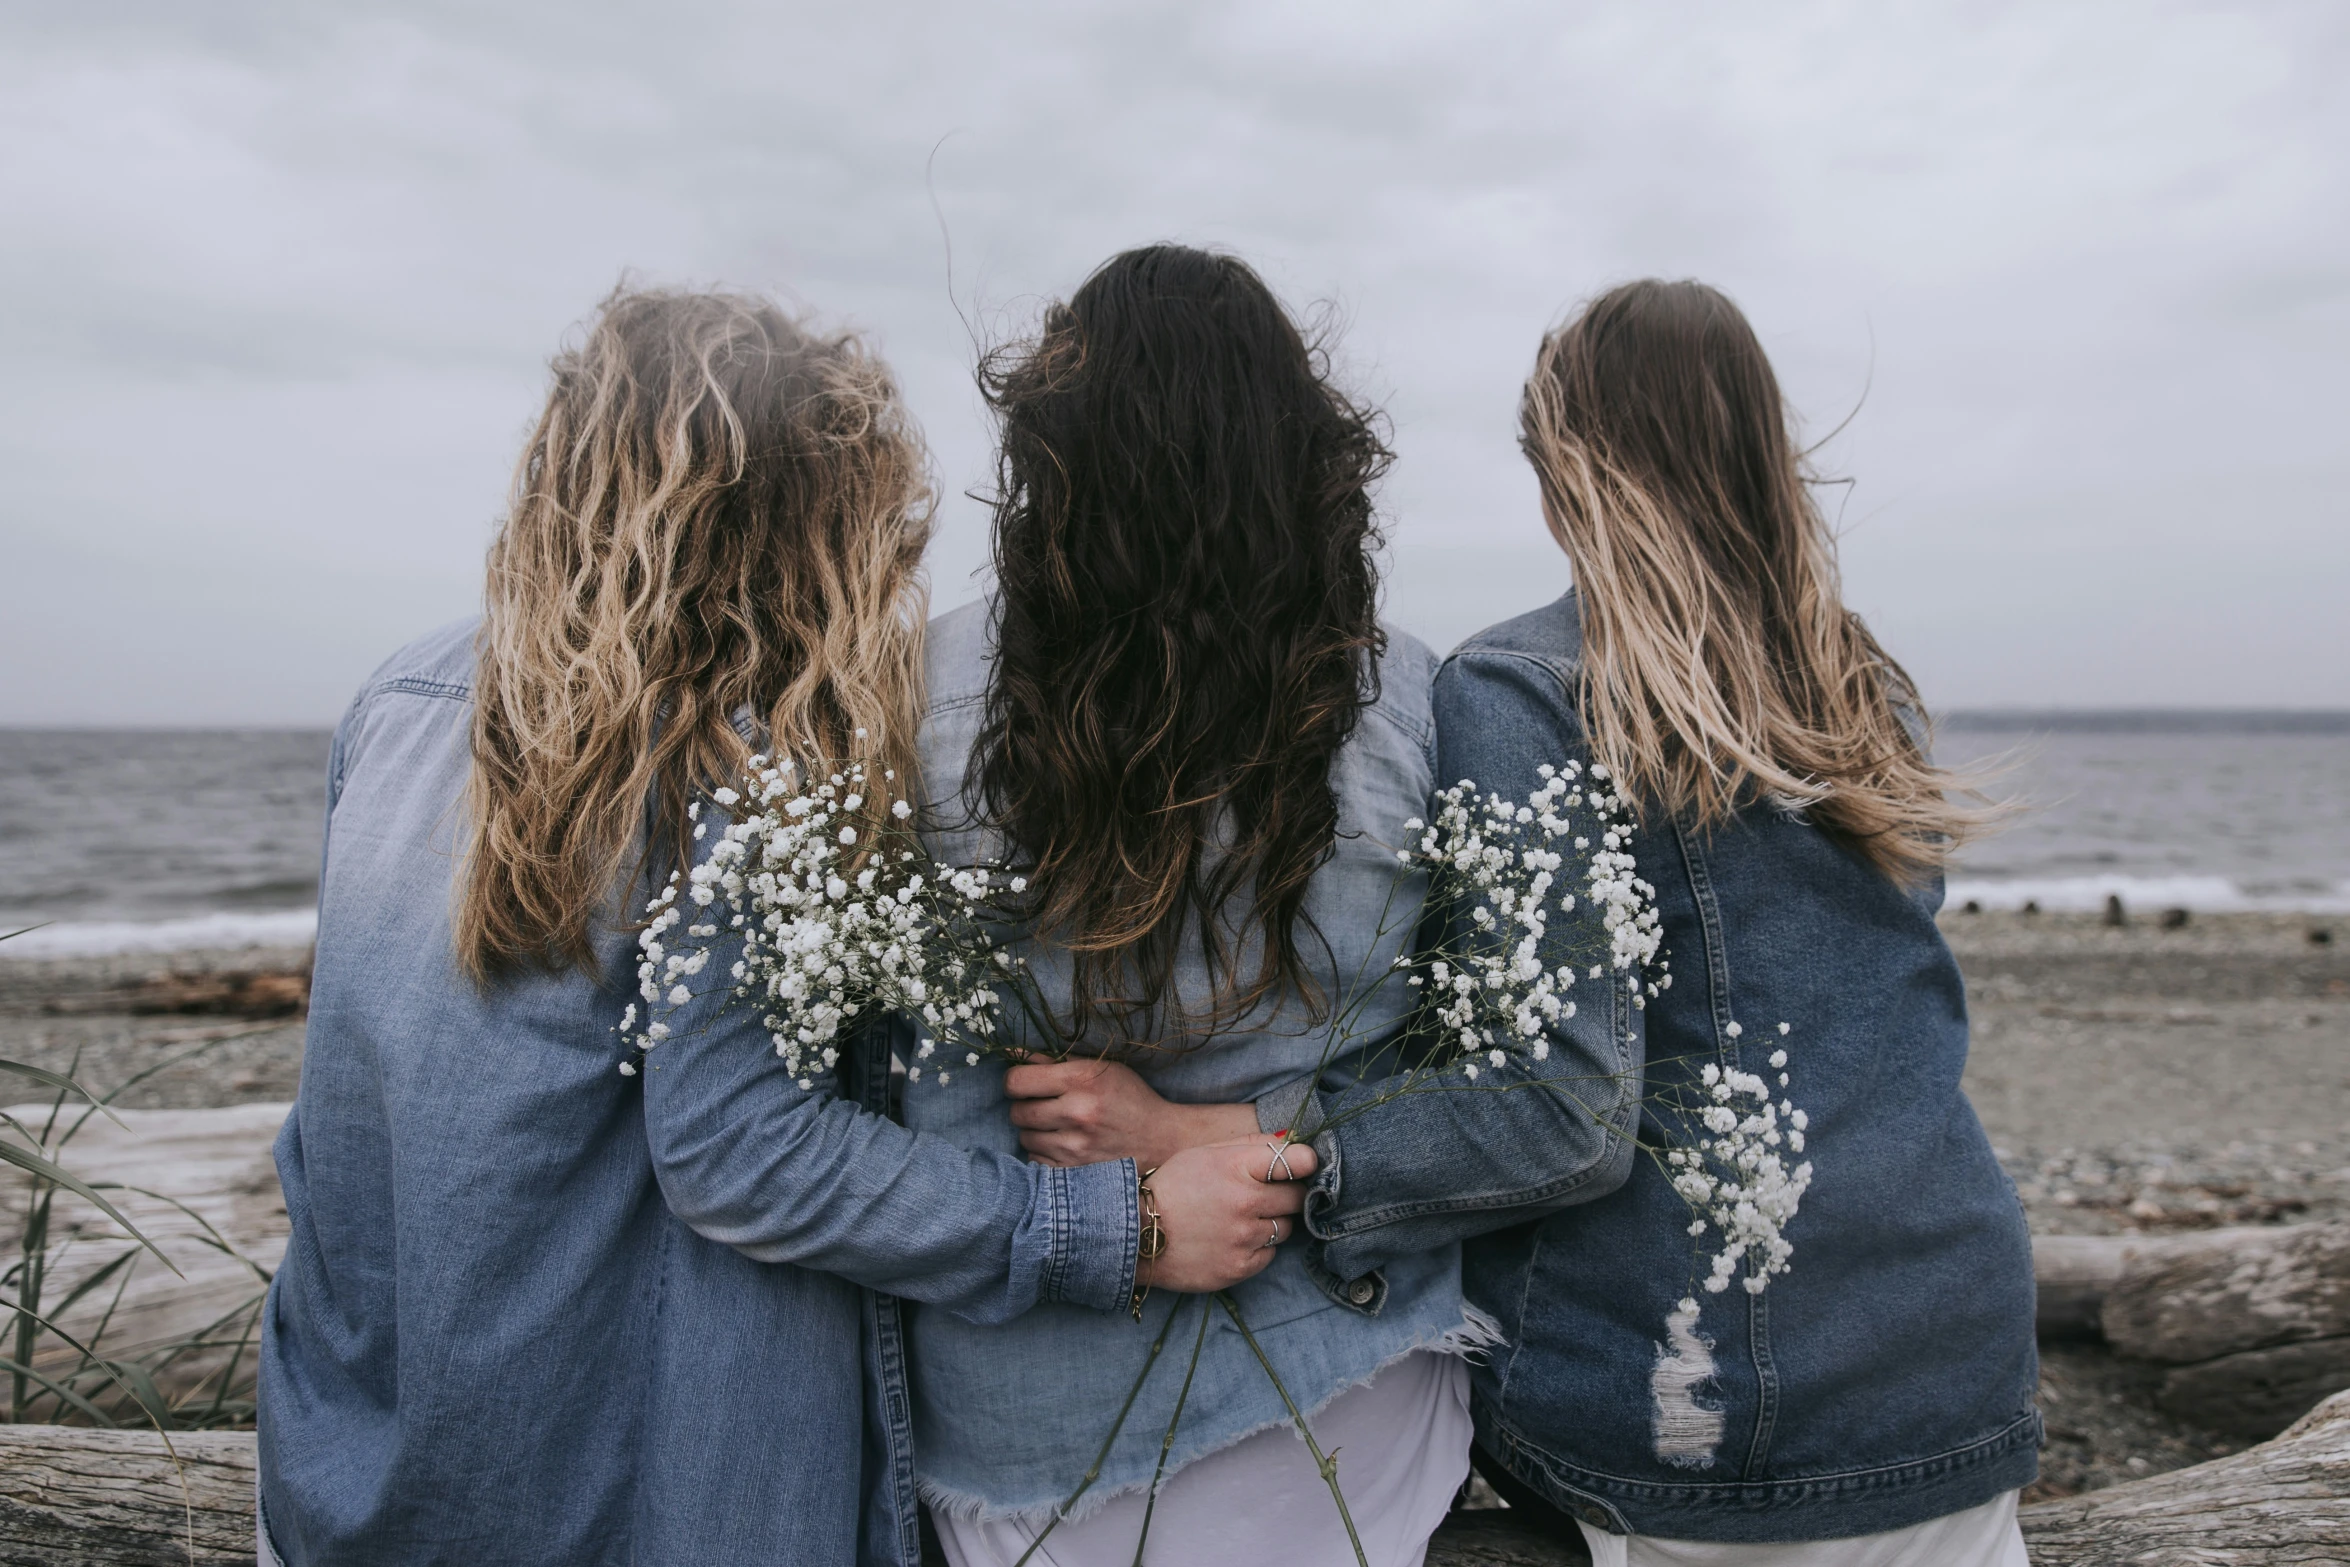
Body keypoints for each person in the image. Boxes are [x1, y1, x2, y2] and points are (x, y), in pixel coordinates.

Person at [255, 286, 1313, 1567]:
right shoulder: (745, 764)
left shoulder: (405, 702)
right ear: (803, 522)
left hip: (353, 1486)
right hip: (652, 1510)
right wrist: (1127, 1225)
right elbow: (739, 1146)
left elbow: (335, 1121)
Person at [1013, 279, 2040, 1564]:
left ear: (1562, 469)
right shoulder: (1857, 678)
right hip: (1958, 1347)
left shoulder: (1526, 690)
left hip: (1707, 1401)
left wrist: (1218, 1131)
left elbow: (1557, 1112)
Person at [901, 245, 1493, 1567]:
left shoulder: (905, 695)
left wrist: (1156, 1141)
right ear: (1306, 452)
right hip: (1343, 1380)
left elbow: (885, 1090)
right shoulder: (1415, 697)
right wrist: (1256, 1125)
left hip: (1020, 1431)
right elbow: (1484, 1063)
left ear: (1050, 455)